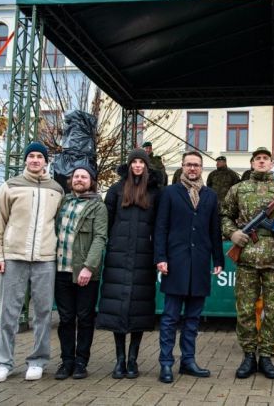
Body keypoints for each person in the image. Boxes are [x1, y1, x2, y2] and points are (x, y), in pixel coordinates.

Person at [221, 147, 274, 379]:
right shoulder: (238, 189)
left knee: (273, 310)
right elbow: (225, 216)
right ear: (251, 164)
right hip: (246, 259)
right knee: (245, 310)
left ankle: (266, 355)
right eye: (257, 158)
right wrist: (232, 233)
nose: (261, 161)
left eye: (265, 158)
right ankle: (249, 355)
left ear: (271, 164)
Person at [0, 142, 64, 383]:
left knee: (43, 313)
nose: (35, 160)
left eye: (39, 156)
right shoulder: (11, 186)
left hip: (45, 259)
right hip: (13, 257)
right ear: (25, 160)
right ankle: (3, 362)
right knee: (8, 313)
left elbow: (58, 224)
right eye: (31, 156)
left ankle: (38, 361)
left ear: (46, 161)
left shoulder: (56, 190)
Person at [154, 150, 224, 384]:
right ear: (182, 167)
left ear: (201, 168)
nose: (192, 168)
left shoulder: (210, 195)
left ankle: (188, 361)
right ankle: (166, 363)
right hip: (175, 263)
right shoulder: (170, 193)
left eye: (196, 165)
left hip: (200, 264)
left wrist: (218, 259)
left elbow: (214, 230)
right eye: (188, 164)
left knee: (193, 319)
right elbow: (161, 227)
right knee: (170, 318)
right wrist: (161, 257)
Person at [97, 148, 162, 380]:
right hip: (118, 257)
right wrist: (111, 245)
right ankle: (119, 360)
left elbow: (159, 226)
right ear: (129, 164)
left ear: (146, 166)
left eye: (141, 162)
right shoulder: (116, 189)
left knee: (139, 310)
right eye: (134, 162)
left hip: (144, 257)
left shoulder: (154, 192)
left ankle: (133, 360)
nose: (137, 166)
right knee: (117, 309)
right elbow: (106, 221)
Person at [53, 165, 107, 380]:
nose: (79, 179)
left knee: (85, 318)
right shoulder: (63, 202)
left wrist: (89, 266)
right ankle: (66, 361)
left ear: (91, 181)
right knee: (66, 319)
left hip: (85, 272)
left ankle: (81, 362)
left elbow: (100, 237)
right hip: (61, 269)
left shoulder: (98, 206)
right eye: (76, 176)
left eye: (84, 177)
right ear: (71, 180)